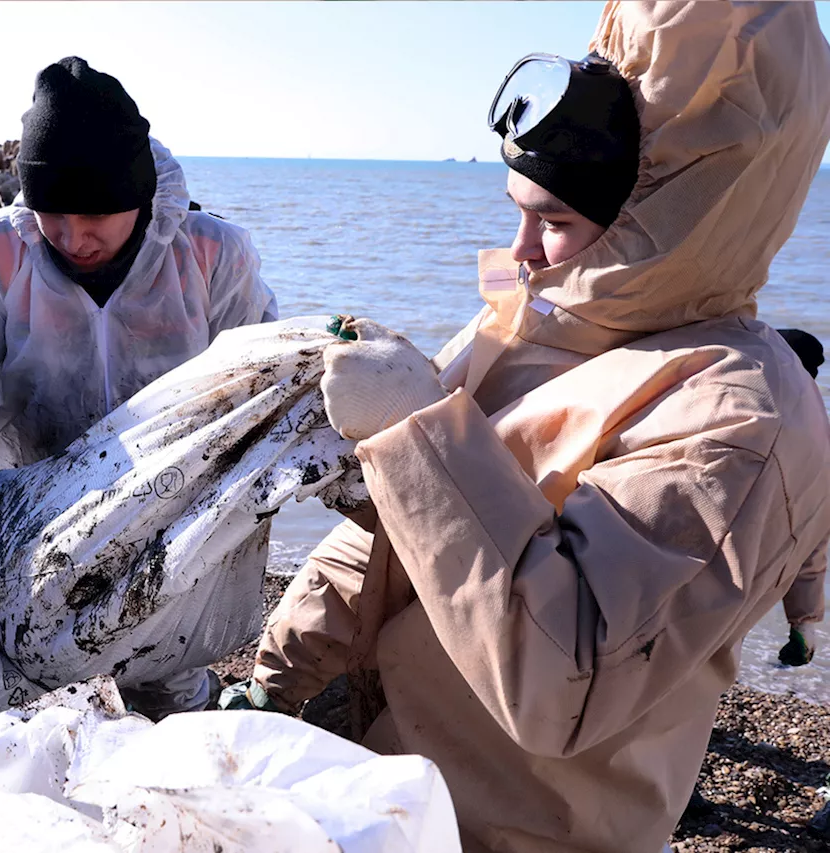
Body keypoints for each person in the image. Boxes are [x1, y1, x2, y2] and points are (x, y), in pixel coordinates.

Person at [223, 4, 830, 852]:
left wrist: (413, 431)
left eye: (552, 220)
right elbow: (394, 535)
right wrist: (280, 669)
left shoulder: (740, 415)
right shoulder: (531, 318)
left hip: (522, 828)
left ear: (669, 212)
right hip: (391, 783)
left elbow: (562, 685)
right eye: (518, 208)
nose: (521, 250)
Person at [0, 57, 277, 715]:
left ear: (139, 192)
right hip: (41, 510)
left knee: (167, 676)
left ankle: (178, 711)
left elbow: (263, 377)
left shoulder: (213, 255)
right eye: (52, 214)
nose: (74, 237)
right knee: (50, 691)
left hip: (175, 510)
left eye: (97, 213)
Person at [776, 328, 826, 667]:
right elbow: (812, 542)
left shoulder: (728, 401)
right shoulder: (819, 435)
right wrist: (804, 623)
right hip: (748, 583)